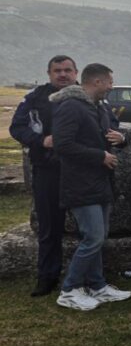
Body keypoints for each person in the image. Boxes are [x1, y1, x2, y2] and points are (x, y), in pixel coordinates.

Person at [50, 63, 131, 311]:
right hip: (80, 184)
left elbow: (111, 132)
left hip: (101, 182)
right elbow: (63, 145)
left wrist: (121, 139)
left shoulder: (99, 107)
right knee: (93, 237)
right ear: (97, 82)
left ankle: (97, 285)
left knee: (99, 237)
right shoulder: (71, 107)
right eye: (110, 82)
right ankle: (70, 290)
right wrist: (99, 156)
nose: (112, 87)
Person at [9, 54, 78, 297]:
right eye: (57, 70)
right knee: (49, 228)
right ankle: (47, 276)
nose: (63, 74)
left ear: (76, 73)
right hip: (47, 170)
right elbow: (17, 127)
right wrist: (40, 140)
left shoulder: (87, 96)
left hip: (82, 172)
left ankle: (88, 276)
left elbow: (109, 123)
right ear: (49, 74)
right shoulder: (36, 97)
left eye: (67, 70)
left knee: (89, 228)